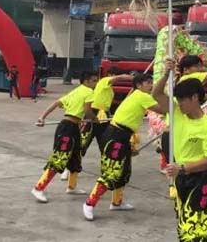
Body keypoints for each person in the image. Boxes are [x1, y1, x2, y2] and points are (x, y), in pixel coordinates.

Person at [83, 73, 169, 221]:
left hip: (121, 134)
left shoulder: (137, 95)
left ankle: (116, 202)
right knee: (112, 171)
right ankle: (89, 203)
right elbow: (163, 110)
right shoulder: (142, 96)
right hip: (116, 134)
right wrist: (168, 98)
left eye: (151, 82)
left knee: (124, 170)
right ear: (138, 85)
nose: (151, 85)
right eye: (148, 83)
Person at [154, 60, 207, 242]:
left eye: (182, 99)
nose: (179, 103)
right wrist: (166, 74)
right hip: (181, 179)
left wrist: (182, 168)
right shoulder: (176, 113)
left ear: (194, 98)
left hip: (201, 180)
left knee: (191, 233)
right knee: (192, 227)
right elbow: (157, 93)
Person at [31, 71, 99, 203]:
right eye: (94, 80)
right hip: (68, 127)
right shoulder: (89, 92)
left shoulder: (75, 91)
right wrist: (95, 119)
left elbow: (56, 103)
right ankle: (38, 188)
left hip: (72, 127)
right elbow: (87, 110)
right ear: (86, 81)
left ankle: (71, 187)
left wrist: (42, 117)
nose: (95, 83)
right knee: (59, 159)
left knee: (75, 157)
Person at [61, 68, 135, 181]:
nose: (114, 77)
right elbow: (120, 77)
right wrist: (135, 78)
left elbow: (127, 99)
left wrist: (135, 87)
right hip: (93, 114)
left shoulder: (109, 90)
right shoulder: (104, 81)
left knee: (106, 144)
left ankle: (108, 171)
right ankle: (68, 169)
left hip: (104, 117)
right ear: (109, 75)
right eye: (113, 75)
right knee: (82, 143)